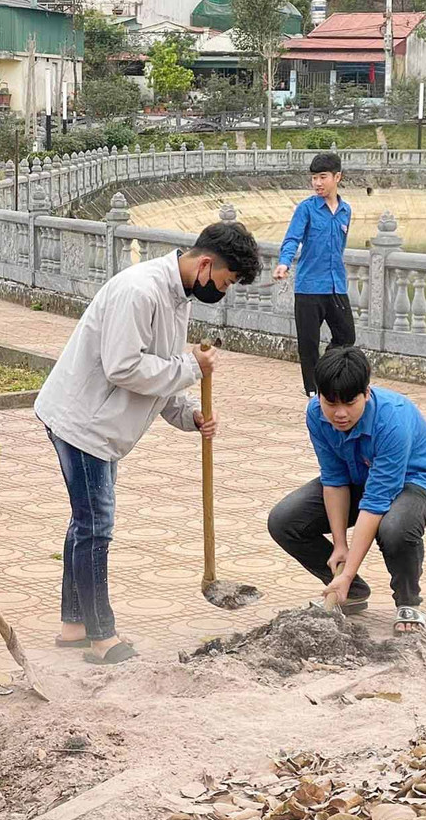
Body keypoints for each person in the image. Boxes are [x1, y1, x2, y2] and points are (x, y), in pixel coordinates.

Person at [35, 222, 261, 666]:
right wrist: (192, 366)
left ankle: (74, 624)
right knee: (96, 525)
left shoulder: (177, 296)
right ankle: (102, 637)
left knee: (86, 522)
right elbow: (124, 368)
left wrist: (187, 415)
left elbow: (160, 368)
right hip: (82, 422)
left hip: (100, 424)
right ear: (206, 264)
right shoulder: (139, 291)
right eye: (226, 281)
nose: (224, 291)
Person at [267, 346, 426, 638]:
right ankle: (351, 592)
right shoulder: (317, 415)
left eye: (350, 403)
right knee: (284, 521)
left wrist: (349, 566)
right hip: (359, 476)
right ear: (319, 397)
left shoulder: (393, 420)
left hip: (414, 479)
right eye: (331, 403)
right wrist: (340, 545)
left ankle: (408, 602)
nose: (340, 414)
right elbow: (334, 479)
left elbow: (376, 504)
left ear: (366, 393)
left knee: (394, 528)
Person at [273, 151, 356, 397]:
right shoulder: (306, 209)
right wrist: (284, 263)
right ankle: (313, 390)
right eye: (314, 178)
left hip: (336, 286)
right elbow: (292, 239)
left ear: (337, 177)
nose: (318, 183)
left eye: (323, 177)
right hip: (309, 287)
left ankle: (325, 371)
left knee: (346, 336)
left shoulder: (346, 210)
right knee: (308, 344)